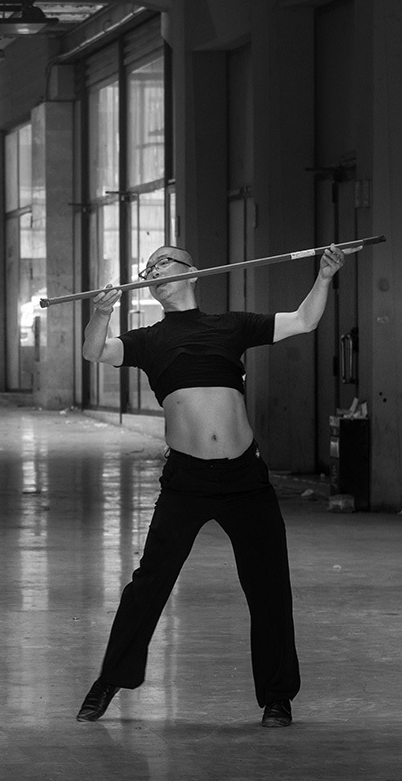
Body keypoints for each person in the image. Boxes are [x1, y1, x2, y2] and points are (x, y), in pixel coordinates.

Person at [75, 242, 347, 728]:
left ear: (192, 272)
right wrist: (101, 313)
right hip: (187, 481)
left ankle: (277, 698)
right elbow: (94, 351)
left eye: (162, 262)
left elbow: (303, 321)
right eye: (148, 269)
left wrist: (324, 277)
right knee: (149, 584)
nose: (153, 271)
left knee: (269, 587)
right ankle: (109, 679)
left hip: (245, 478)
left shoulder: (231, 326)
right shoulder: (149, 339)